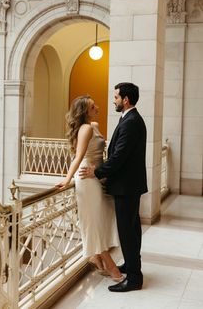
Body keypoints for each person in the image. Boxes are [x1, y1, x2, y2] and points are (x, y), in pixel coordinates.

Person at [79, 82, 148, 292]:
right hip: (128, 185)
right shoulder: (130, 119)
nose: (114, 100)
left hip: (126, 187)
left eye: (116, 97)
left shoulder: (130, 122)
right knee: (132, 229)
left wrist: (97, 172)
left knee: (128, 231)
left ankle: (134, 278)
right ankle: (131, 264)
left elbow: (119, 157)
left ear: (125, 100)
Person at [57, 95, 123, 282]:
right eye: (93, 106)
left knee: (101, 219)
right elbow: (78, 157)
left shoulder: (92, 125)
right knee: (93, 223)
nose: (98, 107)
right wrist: (67, 179)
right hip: (86, 177)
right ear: (84, 111)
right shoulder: (85, 129)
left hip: (97, 176)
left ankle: (95, 257)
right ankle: (111, 267)